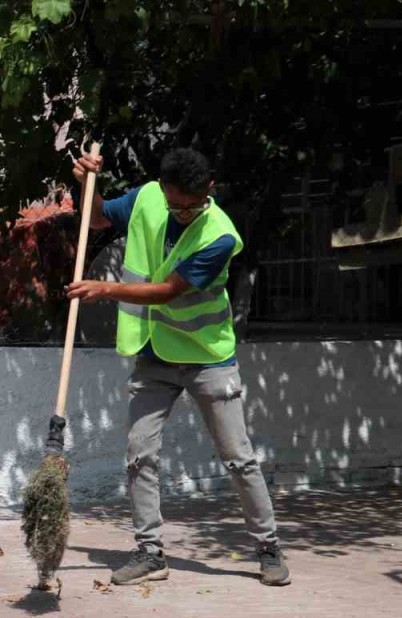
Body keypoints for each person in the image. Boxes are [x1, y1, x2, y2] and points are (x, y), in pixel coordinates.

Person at [67, 147, 290, 587]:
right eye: (176, 204)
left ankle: (268, 548)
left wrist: (105, 289)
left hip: (208, 356)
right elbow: (95, 220)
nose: (184, 212)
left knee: (237, 458)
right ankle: (150, 552)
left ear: (209, 190)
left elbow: (169, 290)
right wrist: (84, 185)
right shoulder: (148, 197)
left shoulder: (219, 235)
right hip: (154, 353)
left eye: (193, 204)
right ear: (164, 189)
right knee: (139, 454)